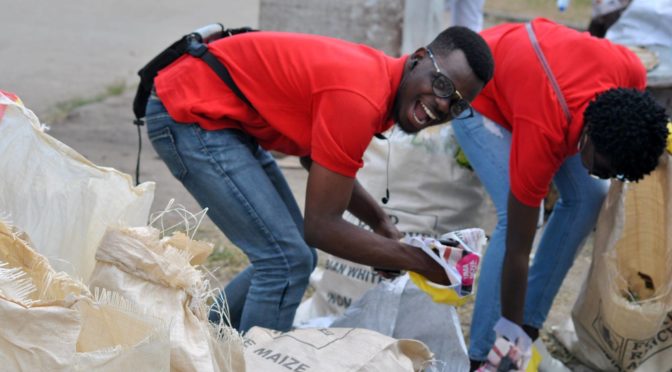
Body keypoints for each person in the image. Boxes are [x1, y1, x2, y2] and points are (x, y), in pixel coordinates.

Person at [144, 26, 494, 333]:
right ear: (419, 58)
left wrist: (381, 224)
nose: (443, 105)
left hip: (225, 120)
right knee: (286, 262)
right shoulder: (361, 97)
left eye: (458, 105)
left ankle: (199, 345)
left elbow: (317, 159)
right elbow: (321, 226)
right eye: (443, 85)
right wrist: (418, 260)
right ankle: (244, 357)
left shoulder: (385, 86)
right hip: (189, 110)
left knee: (296, 258)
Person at [450, 18, 669, 370]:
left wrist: (520, 328)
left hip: (545, 90)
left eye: (616, 172)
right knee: (519, 220)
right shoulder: (544, 129)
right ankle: (483, 355)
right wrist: (506, 330)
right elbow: (518, 251)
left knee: (590, 196)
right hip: (481, 97)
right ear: (591, 134)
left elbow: (623, 144)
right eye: (603, 165)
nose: (604, 174)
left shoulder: (630, 78)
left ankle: (529, 327)